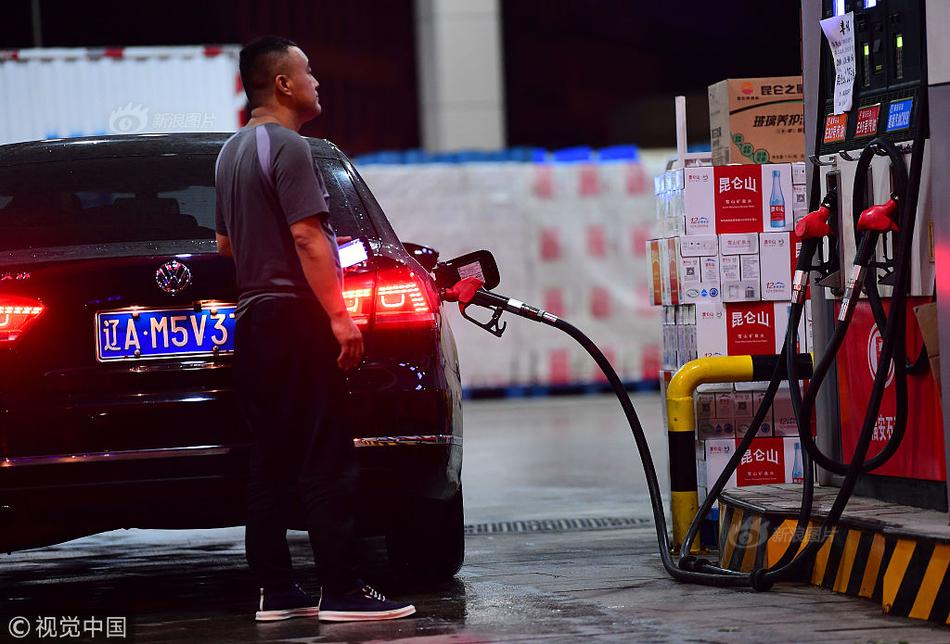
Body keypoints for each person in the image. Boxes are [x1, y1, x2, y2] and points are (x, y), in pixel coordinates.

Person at [214, 35, 415, 623]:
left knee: (270, 460)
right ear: (283, 83)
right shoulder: (291, 147)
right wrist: (337, 315)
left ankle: (276, 592)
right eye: (308, 71)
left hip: (253, 320)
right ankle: (341, 591)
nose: (316, 81)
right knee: (326, 456)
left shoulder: (229, 153)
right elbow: (307, 237)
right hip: (295, 318)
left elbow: (225, 244)